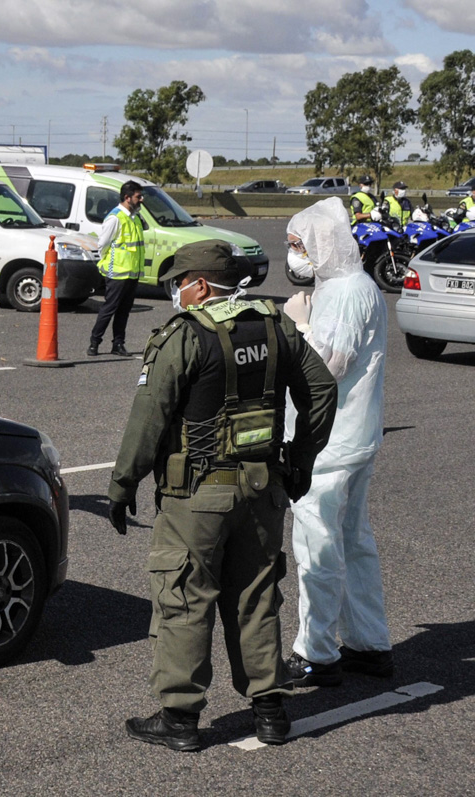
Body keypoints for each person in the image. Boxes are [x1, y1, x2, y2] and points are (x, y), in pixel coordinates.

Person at [107, 240, 337, 751]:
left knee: (186, 598)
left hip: (197, 497)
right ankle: (271, 710)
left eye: (180, 282)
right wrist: (301, 459)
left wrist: (123, 484)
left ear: (202, 285)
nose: (175, 292)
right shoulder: (277, 327)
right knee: (256, 597)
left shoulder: (185, 336)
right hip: (263, 488)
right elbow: (321, 390)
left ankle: (180, 719)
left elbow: (149, 417)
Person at [282, 197, 393, 687]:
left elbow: (326, 368)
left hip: (329, 444)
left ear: (321, 244)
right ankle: (369, 645)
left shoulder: (347, 292)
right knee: (353, 542)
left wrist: (296, 333)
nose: (293, 256)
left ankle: (316, 653)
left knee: (317, 546)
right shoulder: (348, 286)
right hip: (353, 437)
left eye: (297, 246)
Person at [88, 180, 144, 357]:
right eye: (138, 196)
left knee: (124, 311)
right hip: (117, 273)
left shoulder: (133, 218)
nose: (141, 199)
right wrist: (107, 262)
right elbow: (102, 244)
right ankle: (94, 343)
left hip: (131, 273)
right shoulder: (115, 218)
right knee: (109, 309)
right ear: (127, 197)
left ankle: (118, 344)